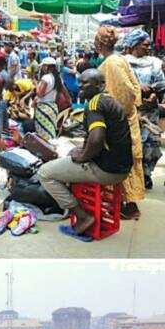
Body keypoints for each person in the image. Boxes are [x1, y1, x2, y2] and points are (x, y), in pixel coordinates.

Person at [38, 69, 133, 240]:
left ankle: (82, 216)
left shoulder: (94, 104)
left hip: (106, 170)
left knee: (45, 173)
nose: (80, 87)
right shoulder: (109, 101)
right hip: (121, 167)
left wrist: (83, 156)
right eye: (79, 82)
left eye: (85, 83)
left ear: (100, 85)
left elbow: (96, 139)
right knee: (68, 157)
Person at [94, 25, 145, 220]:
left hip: (121, 123)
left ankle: (128, 205)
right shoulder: (117, 59)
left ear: (99, 43)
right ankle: (123, 203)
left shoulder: (113, 63)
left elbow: (126, 93)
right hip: (124, 120)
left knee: (124, 161)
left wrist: (112, 115)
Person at [33, 56, 63, 139]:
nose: (42, 68)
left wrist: (35, 83)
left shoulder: (46, 78)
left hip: (44, 108)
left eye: (43, 66)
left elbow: (39, 94)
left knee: (43, 134)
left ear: (47, 66)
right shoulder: (58, 78)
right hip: (53, 107)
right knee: (50, 131)